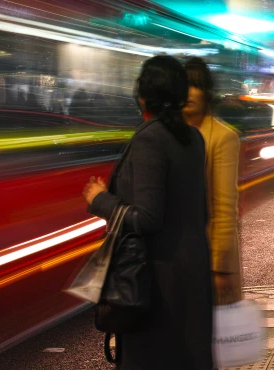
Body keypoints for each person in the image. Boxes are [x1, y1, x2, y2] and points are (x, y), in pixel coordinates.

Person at [83, 56, 213, 370]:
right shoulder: (191, 137)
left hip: (156, 284)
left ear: (144, 94)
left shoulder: (150, 139)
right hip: (191, 274)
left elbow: (147, 217)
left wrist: (100, 199)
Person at [183, 58, 243, 305]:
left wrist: (221, 269)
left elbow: (225, 208)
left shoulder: (222, 137)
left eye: (195, 85)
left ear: (207, 92)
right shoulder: (168, 133)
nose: (189, 93)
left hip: (206, 256)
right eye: (183, 85)